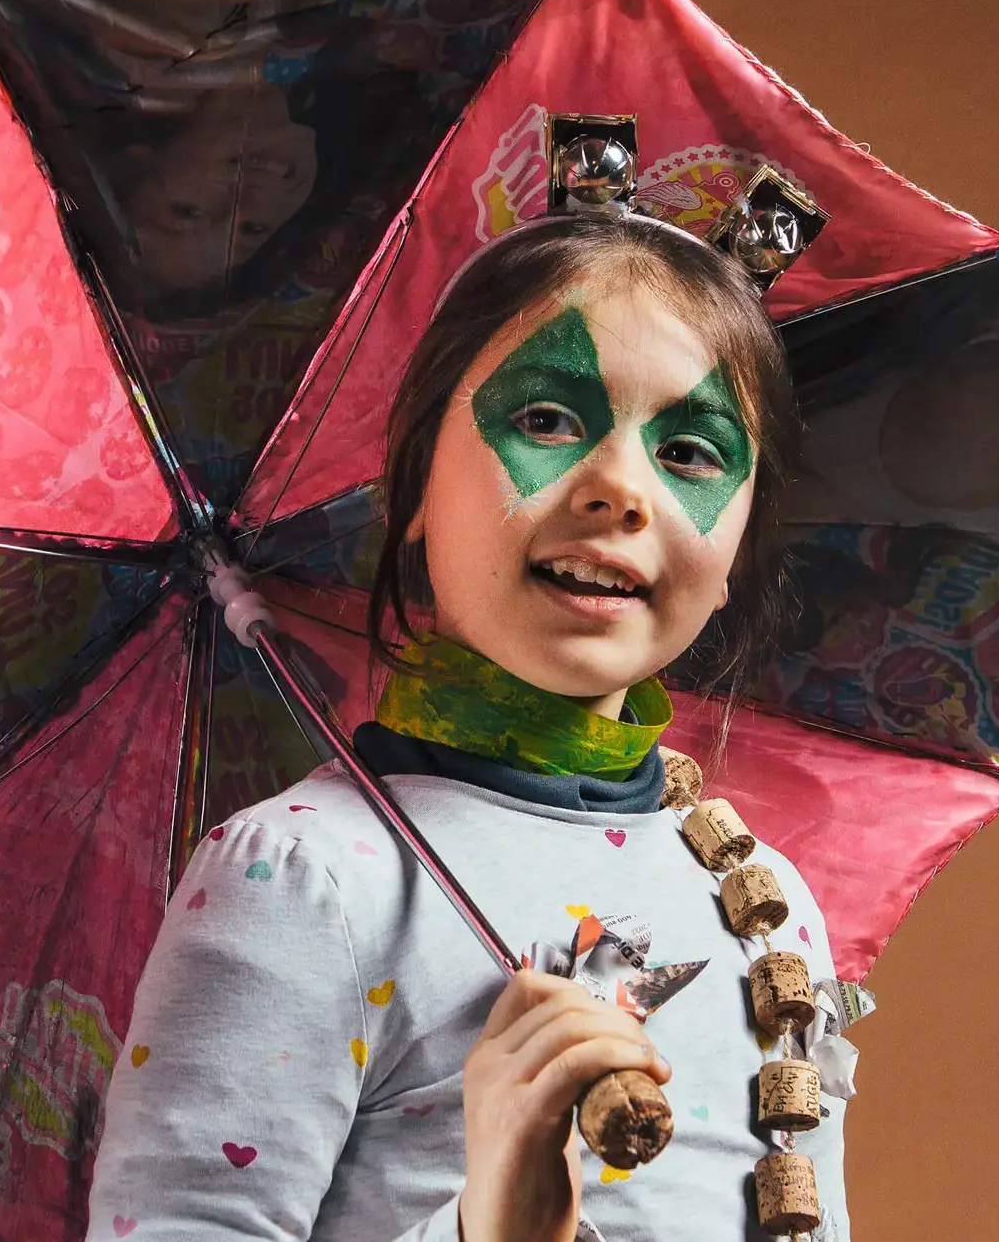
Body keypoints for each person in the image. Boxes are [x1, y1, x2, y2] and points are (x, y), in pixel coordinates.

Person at [91, 211, 851, 1241]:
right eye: (544, 419)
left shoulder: (756, 899)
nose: (620, 489)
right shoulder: (312, 876)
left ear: (739, 550)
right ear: (413, 483)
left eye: (688, 450)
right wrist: (483, 1228)